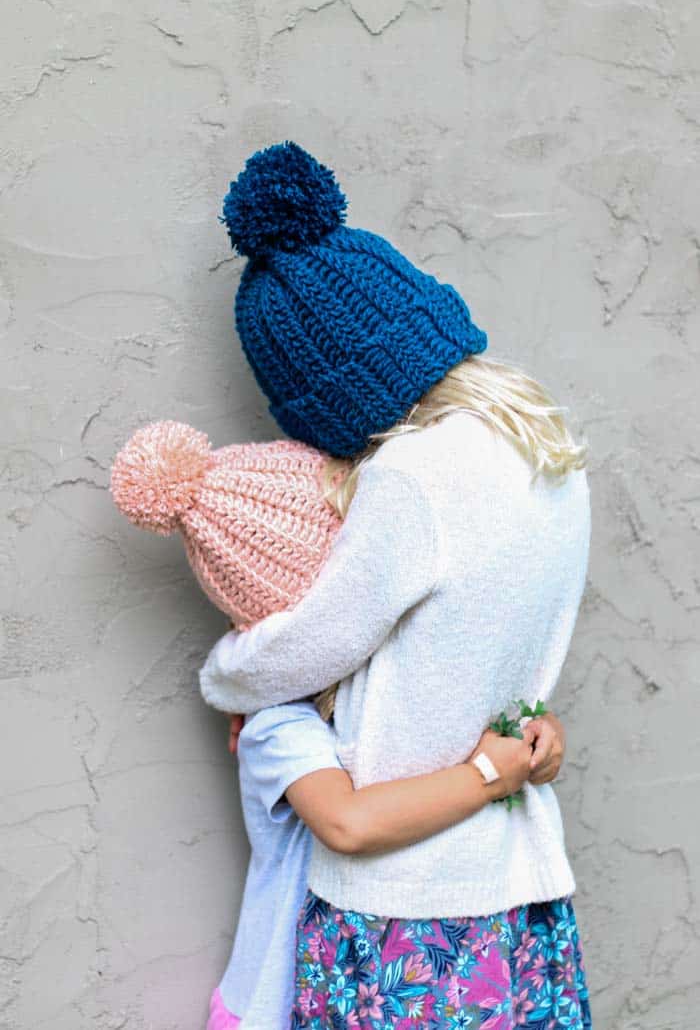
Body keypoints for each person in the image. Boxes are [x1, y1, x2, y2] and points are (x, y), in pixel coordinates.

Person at [199, 142, 592, 1028]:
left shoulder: (415, 477)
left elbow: (317, 639)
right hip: (517, 875)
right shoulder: (551, 458)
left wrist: (229, 675)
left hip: (409, 900)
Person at [110, 422, 566, 1030]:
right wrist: (486, 777)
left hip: (359, 973)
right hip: (283, 998)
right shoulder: (277, 724)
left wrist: (538, 738)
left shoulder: (376, 685)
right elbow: (346, 822)